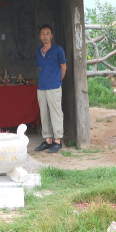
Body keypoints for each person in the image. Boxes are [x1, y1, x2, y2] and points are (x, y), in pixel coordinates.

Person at [34, 24, 66, 153]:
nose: (45, 36)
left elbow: (64, 67)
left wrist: (58, 80)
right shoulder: (38, 51)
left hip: (54, 86)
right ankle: (48, 140)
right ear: (39, 36)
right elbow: (41, 68)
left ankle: (57, 141)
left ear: (51, 36)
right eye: (43, 33)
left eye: (48, 33)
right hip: (42, 86)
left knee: (56, 113)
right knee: (44, 114)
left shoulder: (58, 50)